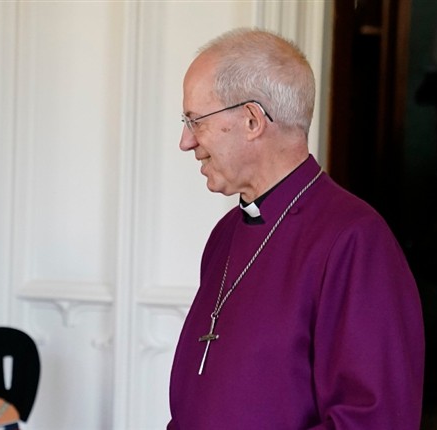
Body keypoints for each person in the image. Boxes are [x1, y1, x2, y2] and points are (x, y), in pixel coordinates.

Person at [169, 28, 424, 428]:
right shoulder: (224, 235)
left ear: (252, 120)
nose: (186, 141)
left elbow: (373, 419)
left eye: (195, 120)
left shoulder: (355, 240)